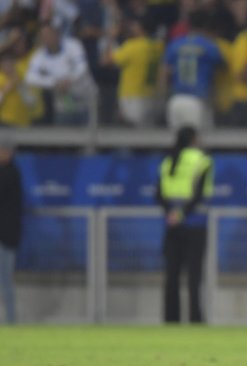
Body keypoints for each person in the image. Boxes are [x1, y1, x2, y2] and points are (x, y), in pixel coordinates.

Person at [156, 126, 213, 323]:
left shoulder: (167, 161)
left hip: (171, 225)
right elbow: (198, 195)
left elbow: (159, 194)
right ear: (193, 139)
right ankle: (195, 321)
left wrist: (172, 214)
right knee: (194, 277)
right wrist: (181, 214)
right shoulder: (202, 160)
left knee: (171, 276)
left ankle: (171, 321)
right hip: (194, 225)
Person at [161, 10, 223, 130]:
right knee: (197, 143)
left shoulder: (174, 44)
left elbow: (164, 73)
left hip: (175, 100)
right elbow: (222, 68)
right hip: (198, 100)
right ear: (206, 25)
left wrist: (164, 99)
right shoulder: (209, 46)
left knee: (177, 142)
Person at [25, 22, 97, 125]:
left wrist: (69, 80)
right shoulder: (39, 56)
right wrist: (54, 83)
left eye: (50, 34)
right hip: (64, 105)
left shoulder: (73, 45)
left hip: (86, 101)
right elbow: (30, 77)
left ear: (57, 34)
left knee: (90, 138)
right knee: (65, 137)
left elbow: (82, 67)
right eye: (44, 36)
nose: (47, 38)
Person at [103, 17, 163, 127]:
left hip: (132, 96)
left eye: (135, 26)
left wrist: (111, 38)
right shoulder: (158, 46)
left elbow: (106, 60)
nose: (132, 28)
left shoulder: (132, 46)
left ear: (141, 29)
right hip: (152, 96)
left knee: (134, 135)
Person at [0, 134, 23, 324]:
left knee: (5, 280)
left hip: (6, 237)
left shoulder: (10, 174)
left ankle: (11, 319)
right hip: (7, 236)